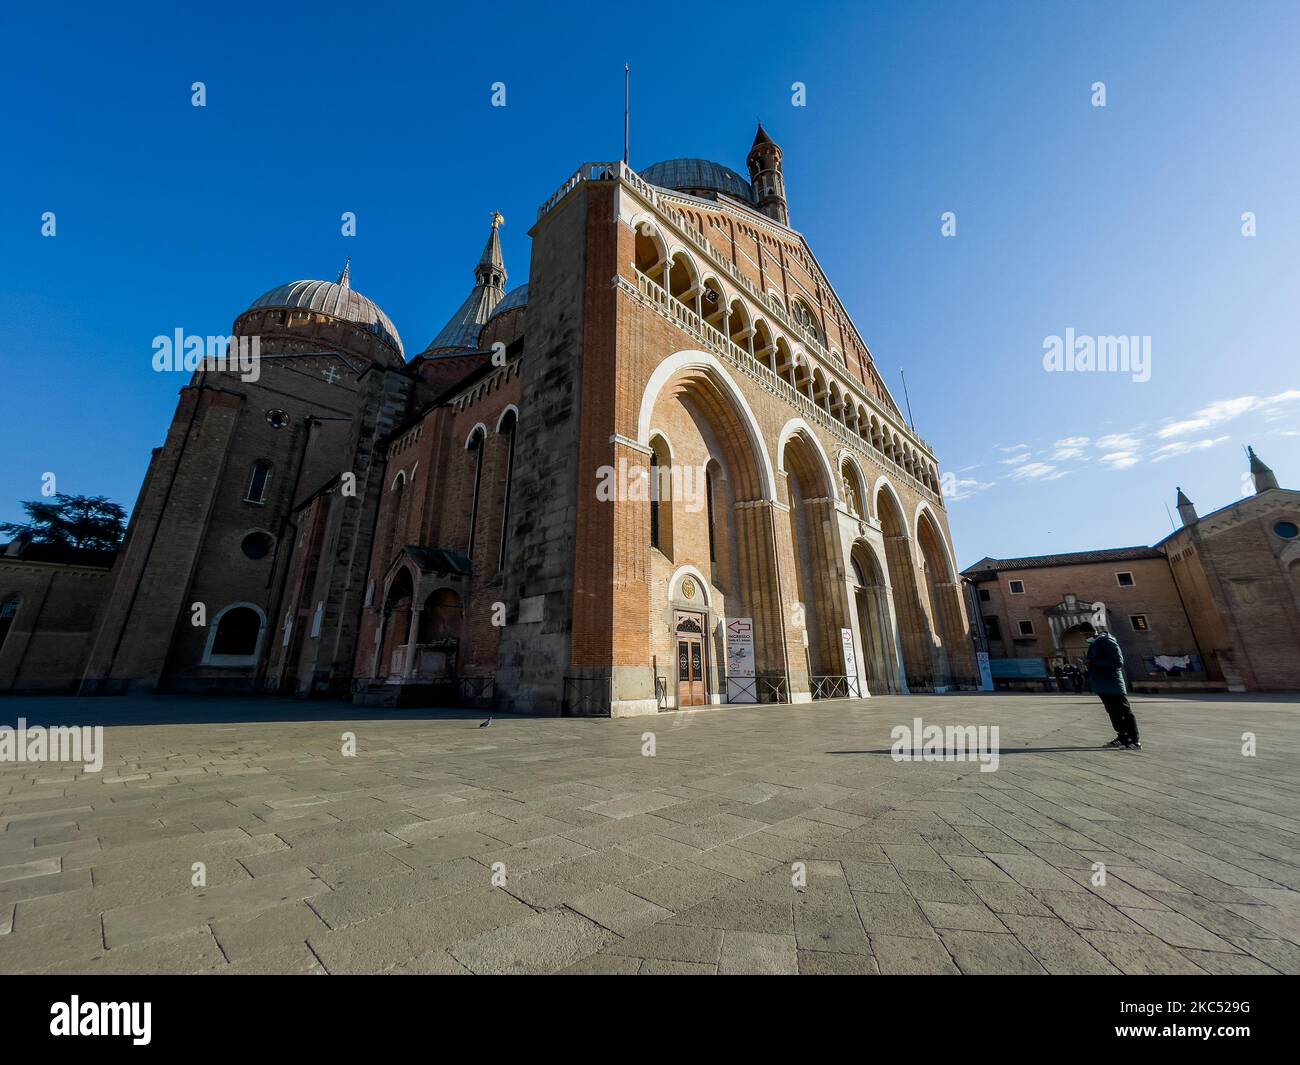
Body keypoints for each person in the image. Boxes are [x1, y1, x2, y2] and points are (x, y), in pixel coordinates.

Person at [1086, 630, 1141, 750]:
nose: (1085, 638)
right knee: (1113, 712)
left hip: (1113, 683)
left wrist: (1094, 662)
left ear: (1092, 632)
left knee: (1124, 711)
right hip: (1102, 683)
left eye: (1086, 635)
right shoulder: (1095, 644)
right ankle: (1122, 737)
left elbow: (1118, 662)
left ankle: (1134, 739)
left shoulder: (1108, 642)